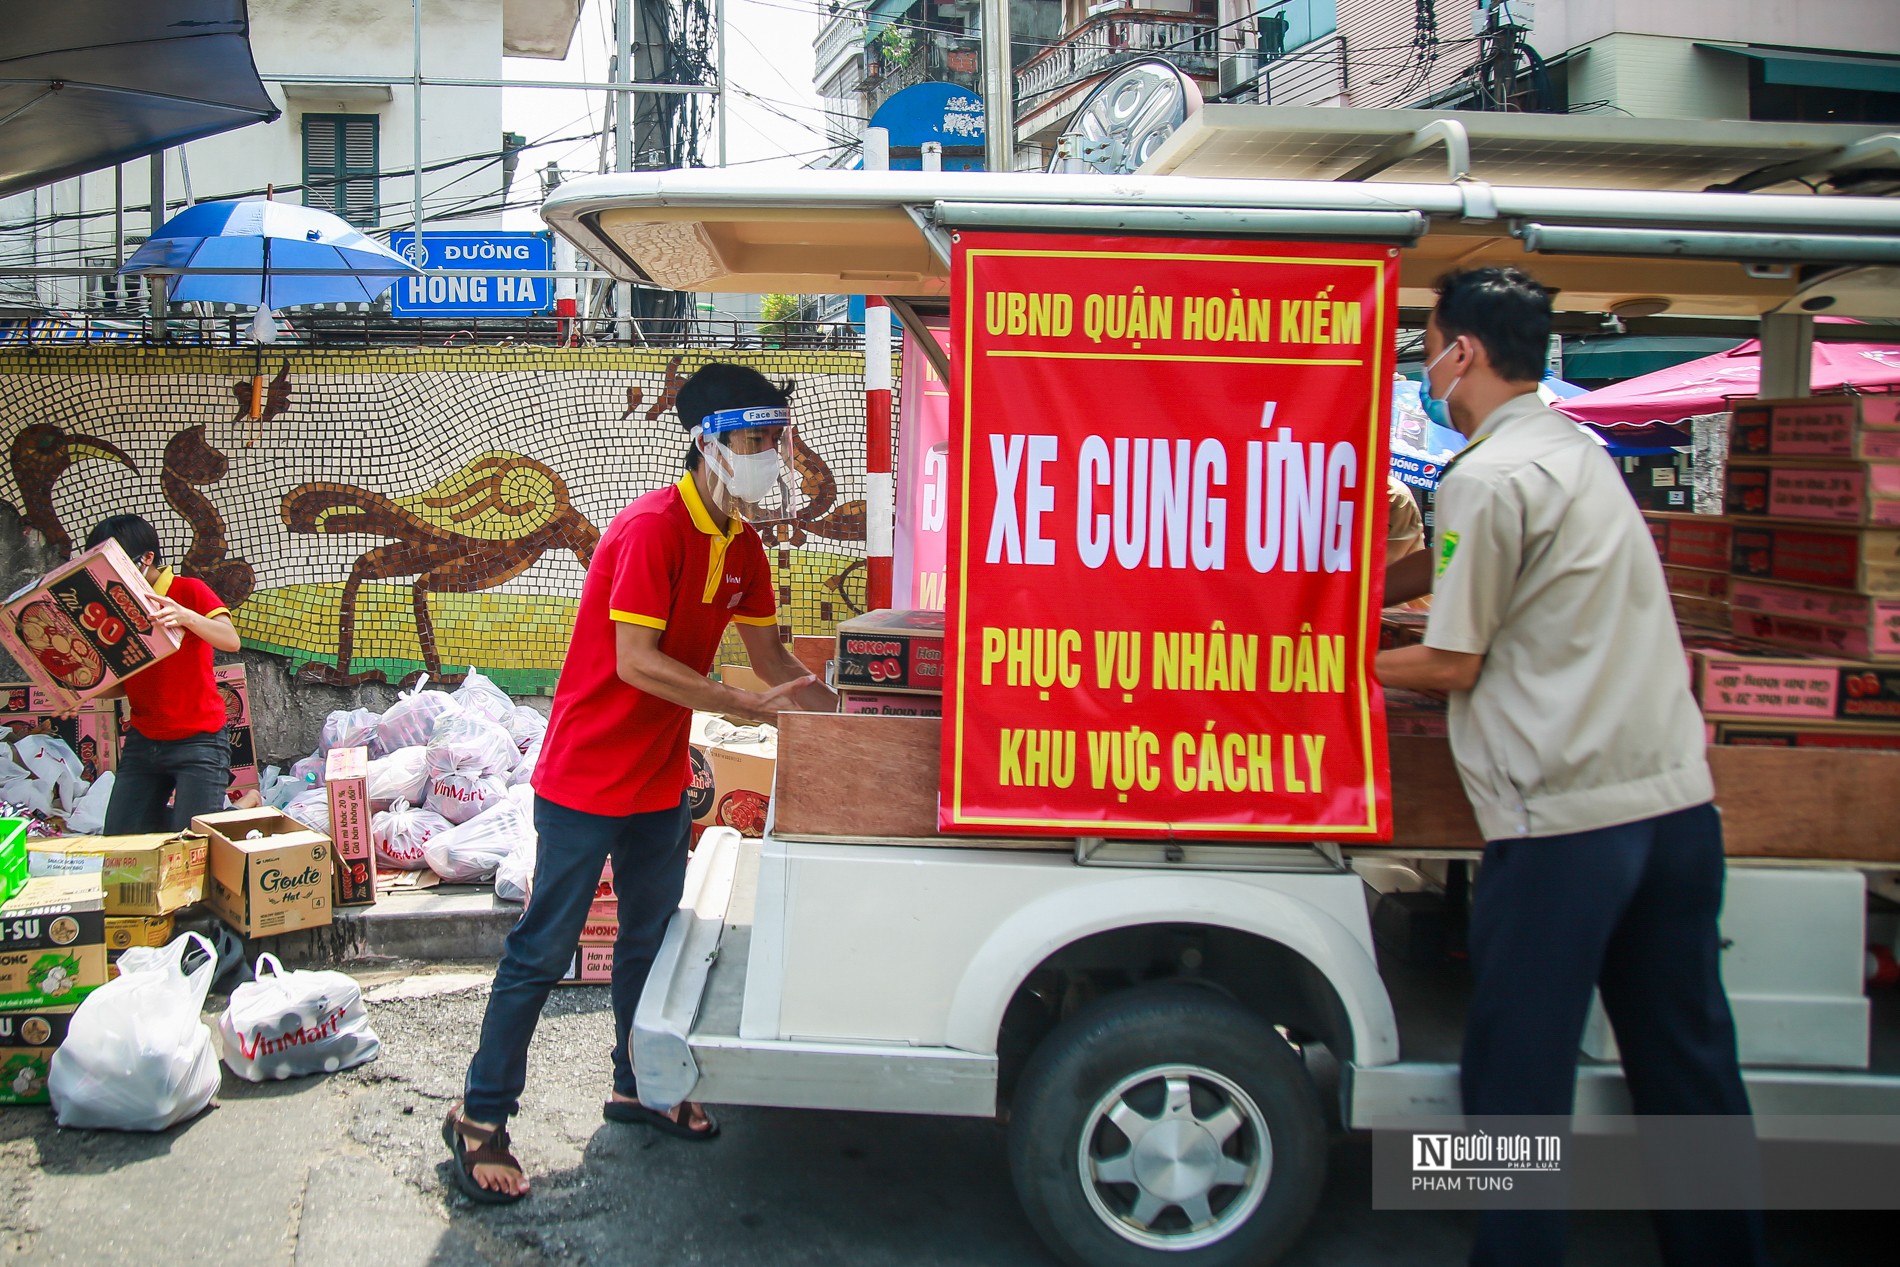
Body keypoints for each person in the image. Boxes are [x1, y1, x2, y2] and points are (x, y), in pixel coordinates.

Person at [1373, 268, 1766, 1267]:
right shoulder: (1574, 453)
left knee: (1516, 1078)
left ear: (1461, 352)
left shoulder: (1481, 476)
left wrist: (1315, 656)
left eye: (1426, 342)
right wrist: (1364, 586)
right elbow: (1469, 565)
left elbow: (1452, 659)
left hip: (1565, 831)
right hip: (1676, 813)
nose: (1423, 362)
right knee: (1685, 1067)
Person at [444, 363, 837, 1204]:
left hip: (659, 777)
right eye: (755, 440)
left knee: (651, 947)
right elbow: (637, 662)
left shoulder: (743, 546)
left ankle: (640, 1083)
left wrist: (849, 719)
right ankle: (478, 1117)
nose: (772, 456)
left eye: (777, 439)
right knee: (541, 951)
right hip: (586, 778)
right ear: (708, 443)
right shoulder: (652, 529)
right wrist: (738, 704)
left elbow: (774, 662)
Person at [79, 515, 241, 833]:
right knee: (121, 841)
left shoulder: (187, 590)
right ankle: (235, 810)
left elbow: (230, 640)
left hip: (199, 742)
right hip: (144, 741)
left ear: (147, 558)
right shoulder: (113, 606)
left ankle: (239, 810)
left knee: (193, 847)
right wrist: (81, 688)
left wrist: (186, 617)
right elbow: (127, 683)